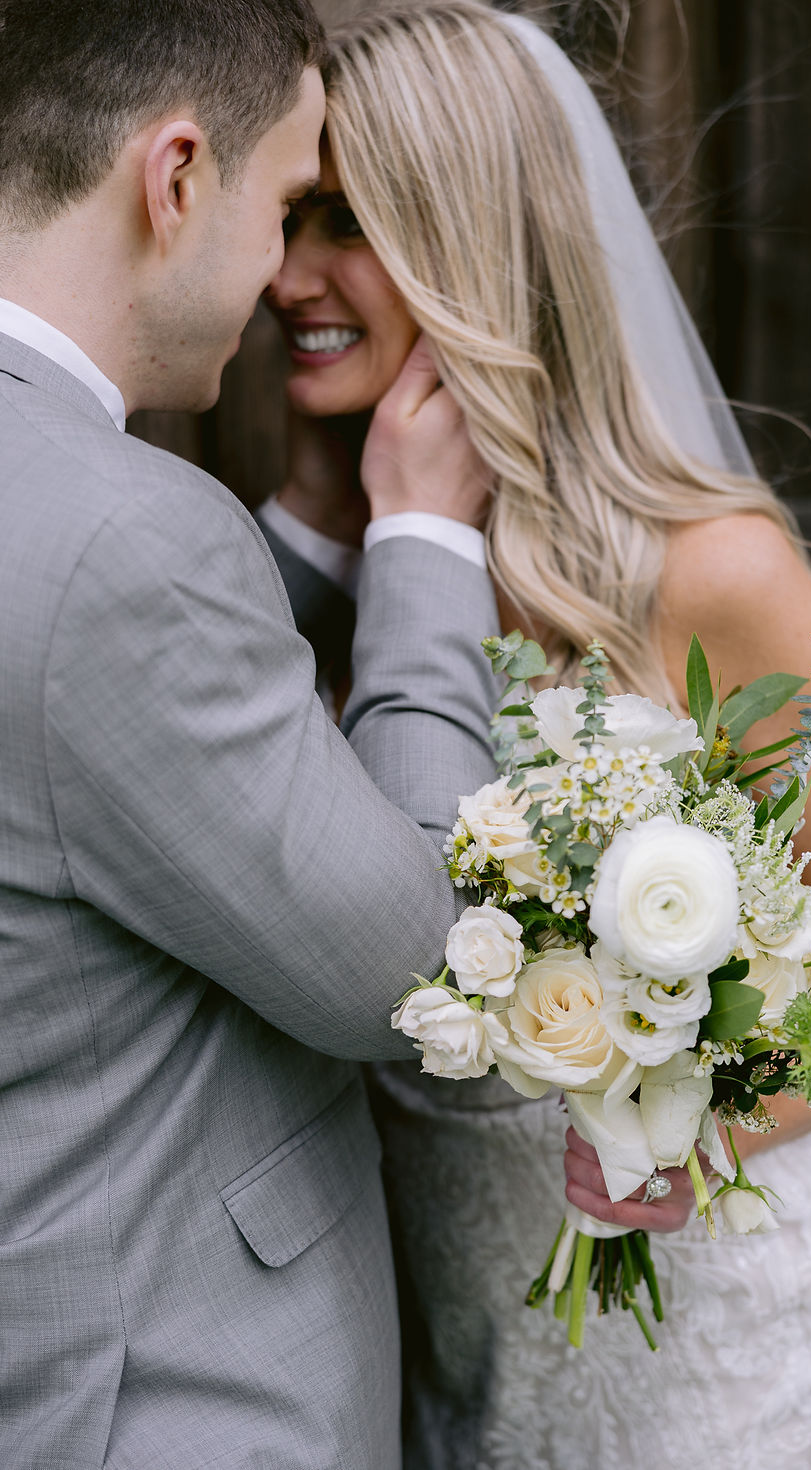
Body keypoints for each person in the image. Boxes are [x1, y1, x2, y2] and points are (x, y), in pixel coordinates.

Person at [261, 2, 811, 1466]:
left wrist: (683, 1140)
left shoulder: (716, 576)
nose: (286, 276)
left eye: (344, 221)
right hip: (473, 1374)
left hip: (734, 1380)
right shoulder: (348, 586)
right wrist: (352, 525)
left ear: (468, 245)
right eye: (284, 214)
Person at [0, 1, 502, 1465]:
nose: (288, 274)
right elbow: (420, 975)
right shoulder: (125, 536)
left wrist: (306, 535)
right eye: (288, 205)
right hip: (167, 1409)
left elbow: (65, 730)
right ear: (173, 178)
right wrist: (421, 542)